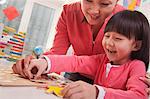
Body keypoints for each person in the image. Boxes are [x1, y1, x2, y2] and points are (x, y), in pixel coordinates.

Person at [19, 10, 149, 99]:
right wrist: (46, 62)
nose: (109, 43)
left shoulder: (137, 66)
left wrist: (97, 92)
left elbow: (138, 96)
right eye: (107, 36)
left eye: (118, 39)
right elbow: (76, 62)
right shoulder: (102, 60)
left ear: (136, 45)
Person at [12, 0, 125, 83]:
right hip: (75, 74)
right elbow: (57, 52)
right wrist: (36, 64)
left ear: (117, 1)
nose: (94, 11)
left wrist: (49, 62)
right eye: (88, 0)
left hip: (110, 82)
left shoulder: (127, 21)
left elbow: (115, 63)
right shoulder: (69, 12)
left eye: (105, 4)